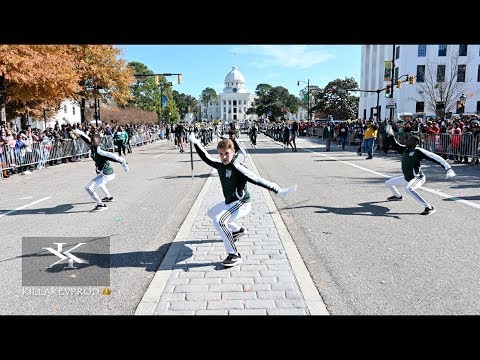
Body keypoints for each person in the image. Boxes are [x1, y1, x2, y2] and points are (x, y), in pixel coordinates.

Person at [188, 132, 297, 267]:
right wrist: (196, 143)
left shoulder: (237, 167)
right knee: (211, 213)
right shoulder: (220, 165)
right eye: (221, 154)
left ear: (233, 152)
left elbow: (257, 179)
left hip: (241, 203)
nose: (223, 157)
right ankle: (238, 231)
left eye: (226, 153)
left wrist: (278, 190)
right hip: (230, 202)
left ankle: (234, 254)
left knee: (219, 221)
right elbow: (206, 157)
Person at [385, 133, 456, 215]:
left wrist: (448, 168)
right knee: (388, 183)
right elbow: (395, 145)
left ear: (415, 142)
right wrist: (391, 135)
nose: (407, 141)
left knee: (409, 189)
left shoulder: (418, 151)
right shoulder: (405, 149)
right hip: (407, 178)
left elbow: (435, 157)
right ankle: (397, 196)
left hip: (418, 178)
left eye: (410, 140)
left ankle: (429, 207)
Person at [74, 129, 129, 212]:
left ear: (98, 141)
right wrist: (80, 133)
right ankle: (109, 197)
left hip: (106, 174)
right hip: (103, 172)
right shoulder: (93, 145)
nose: (91, 143)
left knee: (88, 187)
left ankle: (100, 205)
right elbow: (87, 139)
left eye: (93, 141)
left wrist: (123, 162)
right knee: (100, 182)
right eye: (91, 141)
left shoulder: (100, 150)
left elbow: (112, 156)